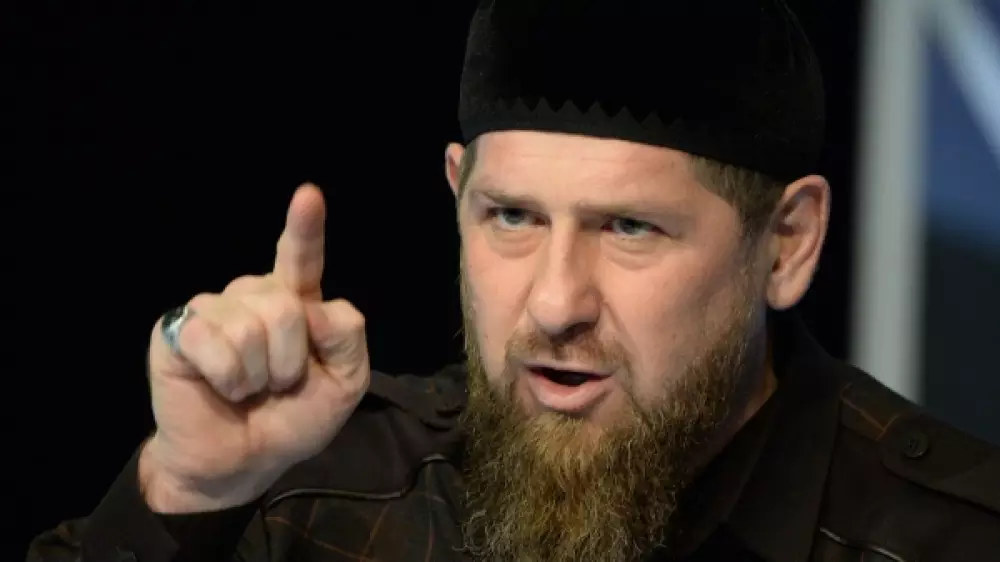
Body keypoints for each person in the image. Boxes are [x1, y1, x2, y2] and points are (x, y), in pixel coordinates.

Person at [28, 0, 1000, 561]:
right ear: (457, 194)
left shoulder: (950, 541)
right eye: (512, 217)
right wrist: (187, 489)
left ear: (786, 243)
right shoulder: (309, 493)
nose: (553, 303)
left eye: (629, 228)